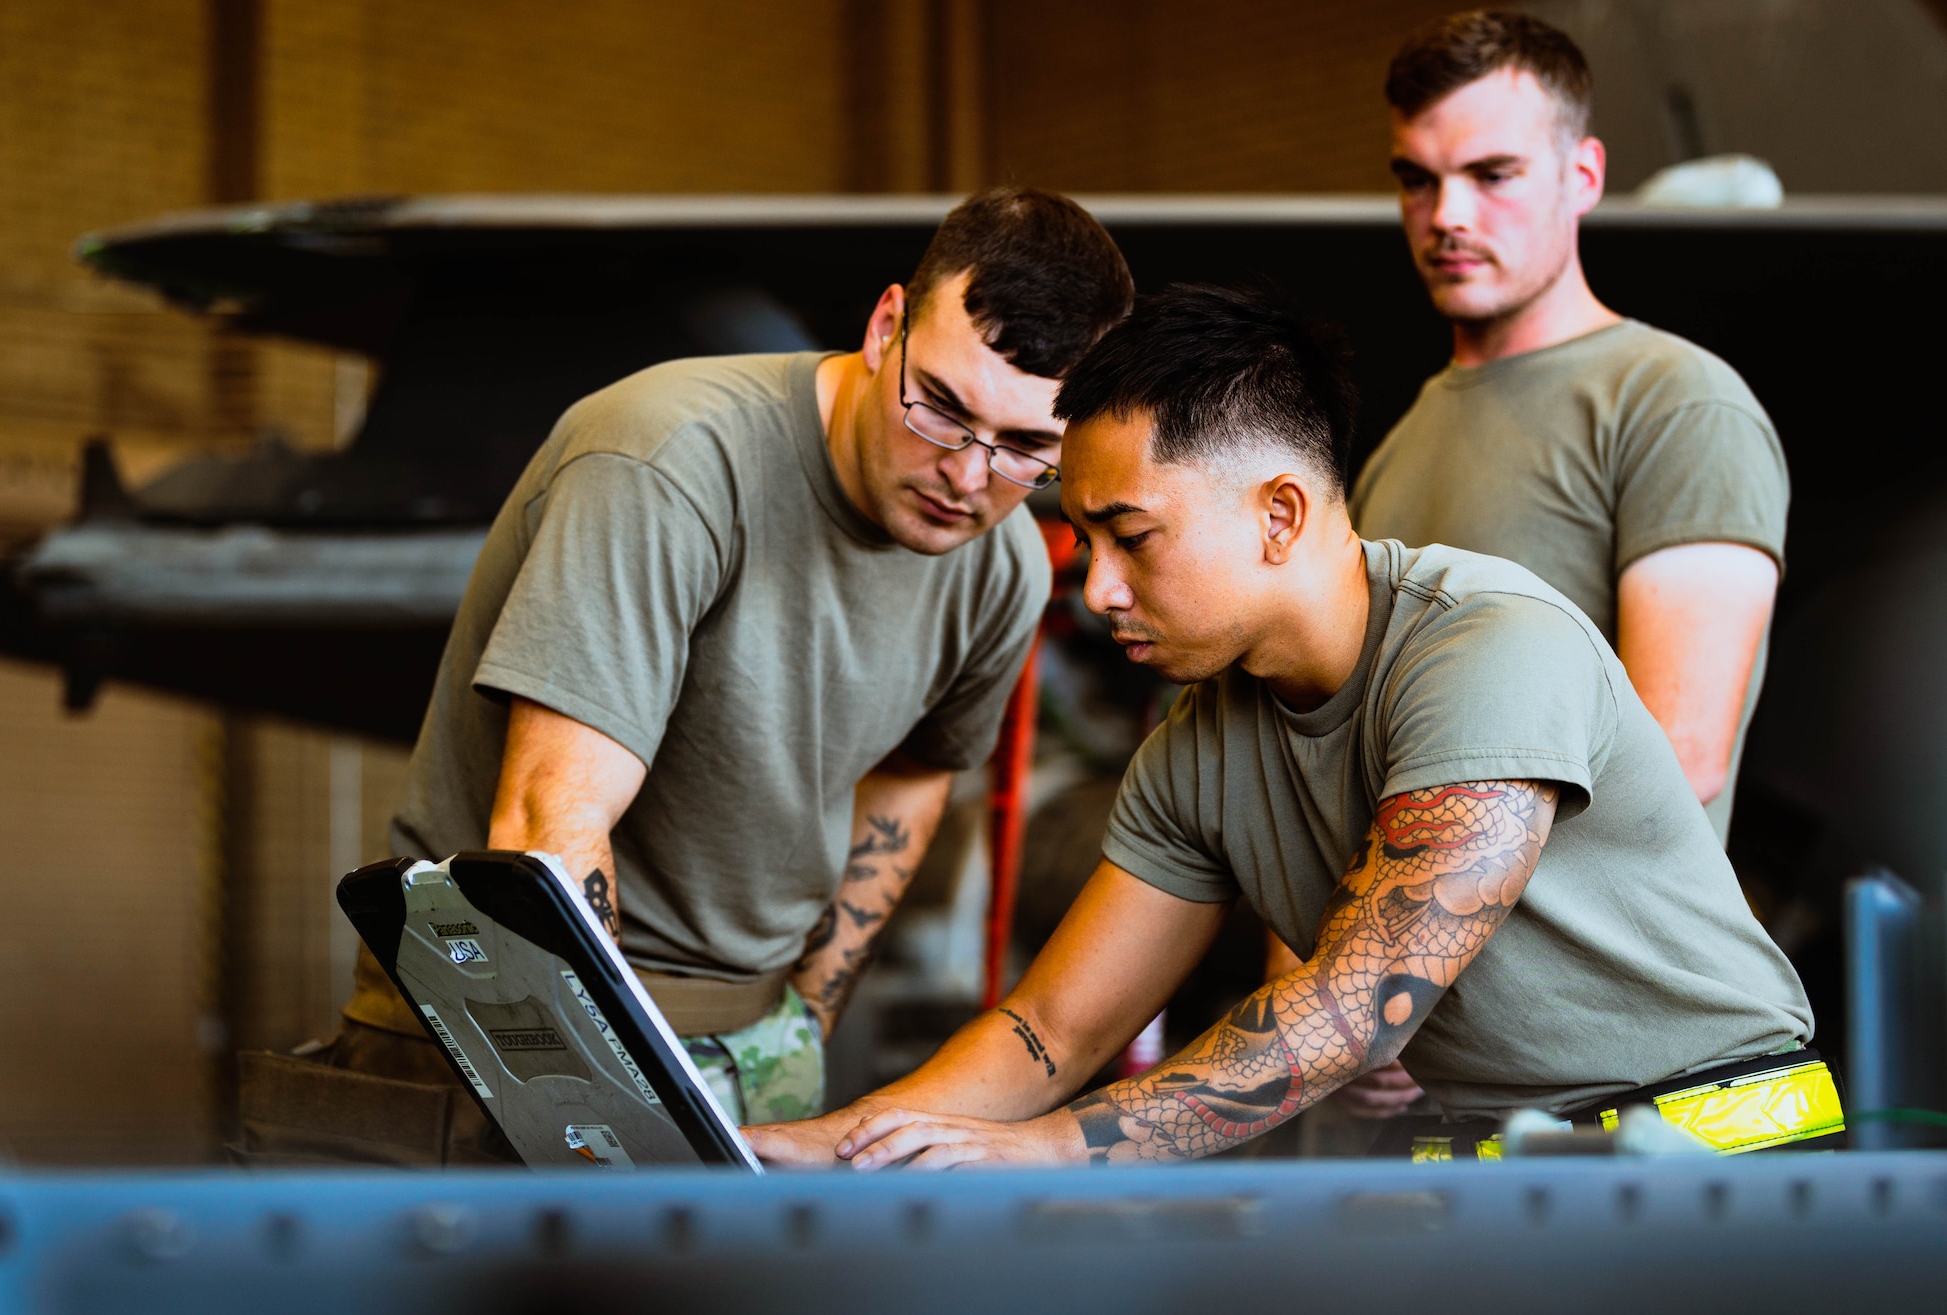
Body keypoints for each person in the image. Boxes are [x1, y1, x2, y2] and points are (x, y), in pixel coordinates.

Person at [747, 283, 1823, 1170]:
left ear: (1278, 515)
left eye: (1129, 537)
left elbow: (1358, 1007)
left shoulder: (1487, 646)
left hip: (1719, 1148)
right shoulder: (1200, 742)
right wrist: (835, 1144)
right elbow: (1052, 1030)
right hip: (1512, 1163)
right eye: (1084, 541)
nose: (1099, 589)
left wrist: (1043, 1150)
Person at [332, 188, 1135, 1136]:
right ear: (886, 329)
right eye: (941, 411)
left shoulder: (998, 564)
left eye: (1026, 448)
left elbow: (915, 772)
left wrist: (808, 1016)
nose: (966, 475)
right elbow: (549, 822)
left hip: (758, 1047)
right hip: (503, 1021)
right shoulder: (668, 461)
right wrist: (610, 1104)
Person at [1331, 11, 1792, 1124]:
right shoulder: (1395, 449)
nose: (1445, 216)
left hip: (1654, 1089)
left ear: (1580, 173)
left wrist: (1391, 961)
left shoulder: (1671, 400)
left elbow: (1674, 755)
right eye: (1416, 179)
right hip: (1450, 1086)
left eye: (1490, 174)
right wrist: (1351, 990)